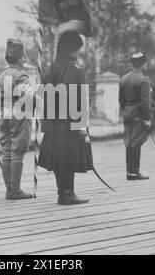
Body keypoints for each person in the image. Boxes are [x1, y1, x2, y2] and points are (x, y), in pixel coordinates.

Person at [38, 31, 90, 205]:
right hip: (70, 122)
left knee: (58, 159)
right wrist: (82, 126)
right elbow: (80, 102)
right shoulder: (77, 72)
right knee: (69, 158)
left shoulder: (52, 70)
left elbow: (44, 96)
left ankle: (63, 192)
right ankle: (68, 193)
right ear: (72, 49)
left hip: (53, 122)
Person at [0, 39, 34, 200]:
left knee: (6, 152)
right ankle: (15, 191)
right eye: (23, 57)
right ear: (19, 59)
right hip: (19, 115)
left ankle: (9, 190)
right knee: (17, 151)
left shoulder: (0, 76)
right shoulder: (21, 75)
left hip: (4, 114)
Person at [119, 52, 151, 180]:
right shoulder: (144, 80)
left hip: (127, 112)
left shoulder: (123, 79)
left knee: (128, 141)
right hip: (138, 114)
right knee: (136, 142)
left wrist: (126, 110)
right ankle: (134, 172)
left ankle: (130, 171)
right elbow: (145, 102)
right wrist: (147, 119)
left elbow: (121, 100)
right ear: (143, 64)